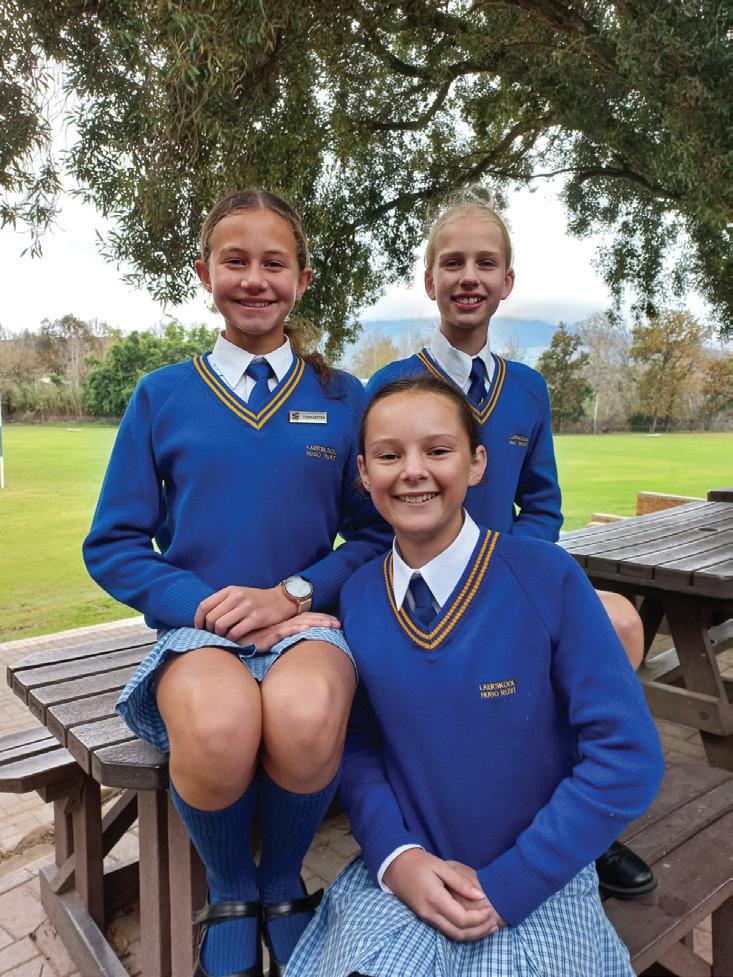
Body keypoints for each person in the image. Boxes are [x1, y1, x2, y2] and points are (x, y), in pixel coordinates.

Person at [83, 190, 389, 977]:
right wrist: (206, 606)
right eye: (235, 260)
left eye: (273, 262)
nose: (255, 278)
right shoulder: (161, 395)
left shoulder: (342, 398)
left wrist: (291, 596)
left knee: (307, 712)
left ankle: (281, 881)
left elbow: (376, 533)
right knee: (219, 726)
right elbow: (113, 543)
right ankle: (230, 888)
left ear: (302, 278)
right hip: (199, 630)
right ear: (203, 273)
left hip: (305, 622)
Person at [287, 376, 664, 977]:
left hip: (540, 874)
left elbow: (627, 757)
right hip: (411, 873)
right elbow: (357, 749)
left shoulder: (546, 577)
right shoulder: (357, 598)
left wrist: (516, 880)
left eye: (438, 450)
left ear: (478, 462)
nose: (413, 471)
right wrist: (396, 857)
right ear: (363, 472)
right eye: (389, 455)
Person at [367, 187, 653, 897]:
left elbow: (542, 501)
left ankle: (583, 827)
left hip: (512, 585)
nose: (469, 276)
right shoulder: (391, 386)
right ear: (428, 280)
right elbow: (369, 510)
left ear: (507, 281)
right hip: (426, 590)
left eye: (485, 263)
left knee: (618, 621)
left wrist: (511, 579)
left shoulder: (527, 389)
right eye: (452, 262)